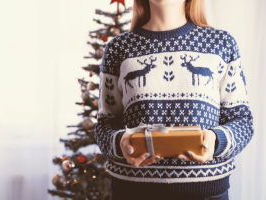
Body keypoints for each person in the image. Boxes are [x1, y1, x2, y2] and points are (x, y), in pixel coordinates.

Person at [94, 0, 254, 199]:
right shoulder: (118, 48)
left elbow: (243, 122)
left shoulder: (221, 43)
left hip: (206, 192)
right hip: (133, 191)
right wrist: (120, 142)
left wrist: (216, 139)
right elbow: (104, 125)